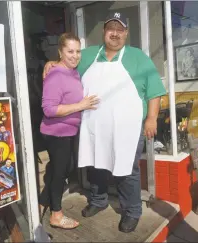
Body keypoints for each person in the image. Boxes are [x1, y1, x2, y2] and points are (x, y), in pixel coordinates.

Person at [43, 12, 167, 233]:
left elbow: (155, 91)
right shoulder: (89, 55)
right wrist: (53, 62)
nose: (115, 34)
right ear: (104, 32)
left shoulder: (138, 57)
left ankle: (132, 211)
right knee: (96, 165)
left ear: (126, 33)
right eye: (112, 29)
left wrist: (151, 118)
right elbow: (68, 62)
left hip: (128, 128)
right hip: (95, 126)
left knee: (127, 170)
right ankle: (98, 200)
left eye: (120, 30)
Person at [39, 32, 99, 230]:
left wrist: (51, 61)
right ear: (61, 52)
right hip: (56, 133)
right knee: (60, 173)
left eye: (77, 51)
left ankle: (42, 201)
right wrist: (80, 105)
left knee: (66, 168)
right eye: (70, 51)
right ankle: (56, 215)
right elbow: (48, 109)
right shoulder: (55, 75)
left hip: (68, 132)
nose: (75, 56)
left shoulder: (72, 71)